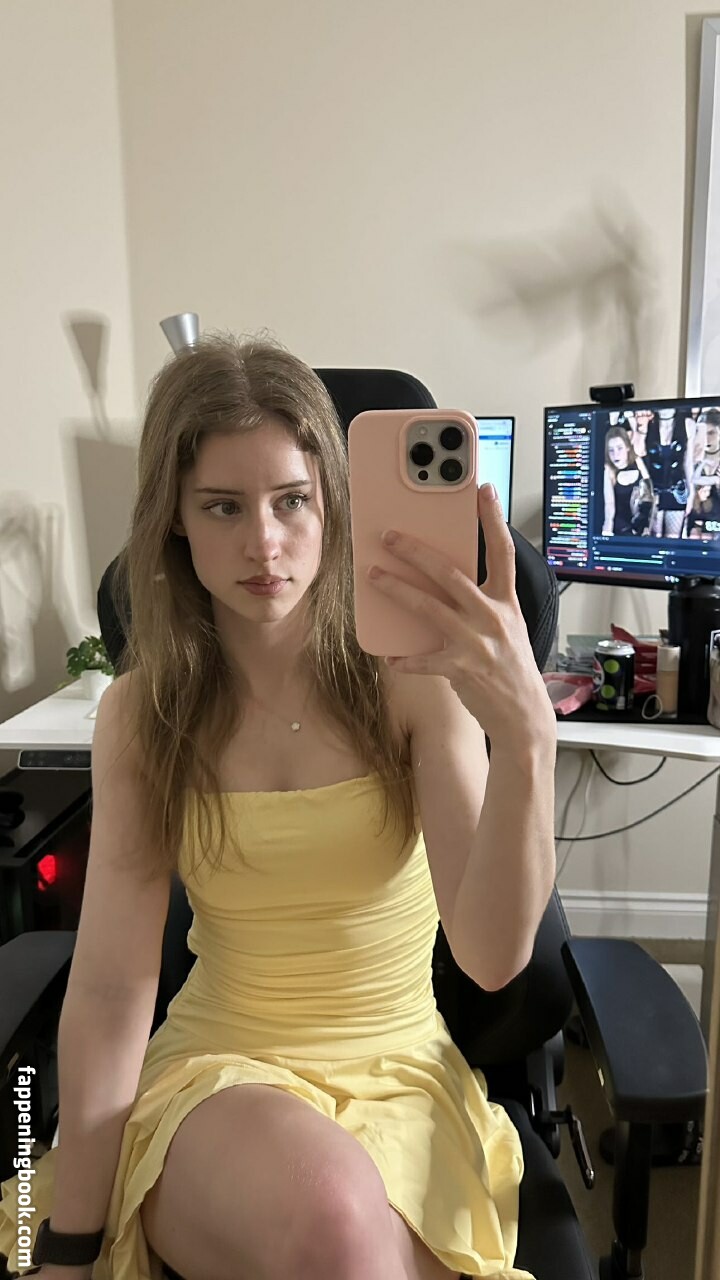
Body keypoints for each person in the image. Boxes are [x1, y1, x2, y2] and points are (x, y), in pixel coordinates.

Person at [0, 334, 556, 1280]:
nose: (264, 543)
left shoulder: (415, 686)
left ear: (333, 502)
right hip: (220, 1082)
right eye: (223, 506)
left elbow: (494, 956)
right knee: (333, 1219)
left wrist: (529, 737)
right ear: (175, 519)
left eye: (292, 500)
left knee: (354, 1243)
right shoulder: (142, 716)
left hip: (402, 1072)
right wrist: (67, 1247)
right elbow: (111, 988)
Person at [644, 408, 696, 537]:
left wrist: (692, 492)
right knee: (654, 538)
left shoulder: (688, 424)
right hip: (653, 490)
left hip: (677, 490)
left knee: (672, 539)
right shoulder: (648, 422)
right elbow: (638, 453)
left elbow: (688, 462)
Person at [602, 426, 653, 536]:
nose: (615, 454)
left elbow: (649, 489)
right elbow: (609, 504)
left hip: (642, 525)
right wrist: (607, 529)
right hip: (622, 528)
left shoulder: (637, 461)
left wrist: (647, 525)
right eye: (611, 450)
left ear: (627, 447)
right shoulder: (609, 471)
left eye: (619, 448)